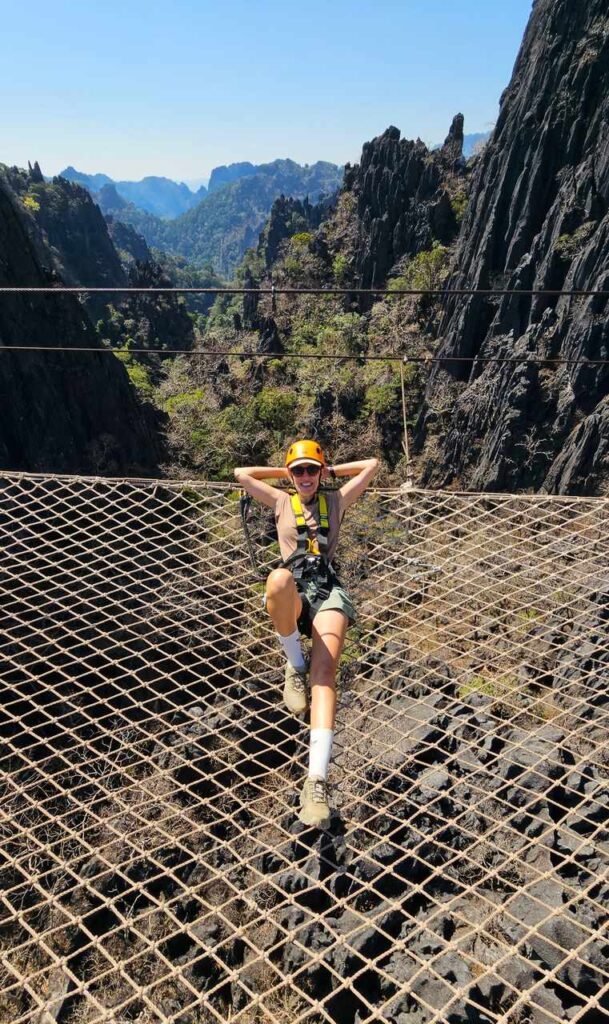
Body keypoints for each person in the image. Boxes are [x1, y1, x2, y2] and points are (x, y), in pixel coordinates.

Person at [234, 440, 379, 828]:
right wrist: (285, 473)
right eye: (298, 471)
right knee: (278, 579)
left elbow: (371, 464)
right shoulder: (281, 501)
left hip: (327, 590)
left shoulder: (336, 501)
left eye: (310, 470)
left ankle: (316, 781)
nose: (304, 477)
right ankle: (293, 664)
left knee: (326, 674)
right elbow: (241, 475)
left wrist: (329, 472)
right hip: (294, 592)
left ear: (321, 471)